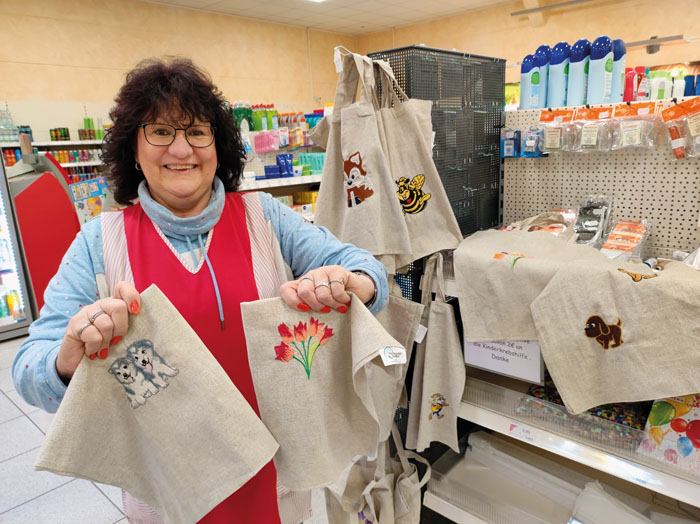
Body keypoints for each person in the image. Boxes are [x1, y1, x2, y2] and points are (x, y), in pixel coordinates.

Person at [12, 57, 388, 524]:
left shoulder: (264, 217)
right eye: (161, 132)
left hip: (271, 469)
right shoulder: (98, 241)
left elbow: (367, 271)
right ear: (133, 148)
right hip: (169, 479)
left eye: (196, 130)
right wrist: (67, 358)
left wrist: (353, 284)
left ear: (219, 145)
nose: (182, 148)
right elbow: (29, 369)